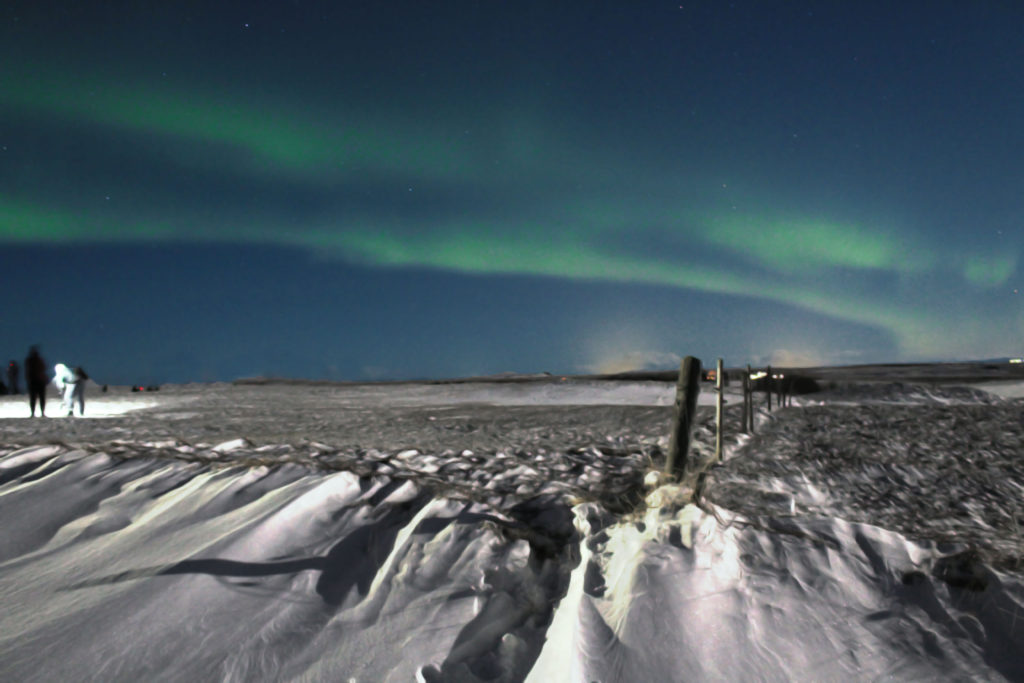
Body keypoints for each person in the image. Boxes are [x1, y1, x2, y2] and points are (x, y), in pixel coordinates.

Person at [25, 346, 48, 417]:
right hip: (39, 381)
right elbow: (43, 368)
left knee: (33, 398)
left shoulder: (29, 361)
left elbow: (28, 371)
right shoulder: (39, 360)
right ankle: (41, 413)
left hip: (33, 381)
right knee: (41, 398)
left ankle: (33, 413)